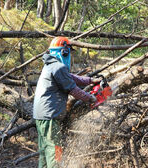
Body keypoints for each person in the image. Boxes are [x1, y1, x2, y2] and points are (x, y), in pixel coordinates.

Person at [33, 36, 100, 168]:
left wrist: (90, 81)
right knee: (55, 150)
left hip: (42, 115)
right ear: (64, 51)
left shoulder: (50, 65)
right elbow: (72, 88)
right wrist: (91, 98)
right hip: (50, 115)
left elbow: (72, 78)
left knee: (45, 151)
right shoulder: (57, 67)